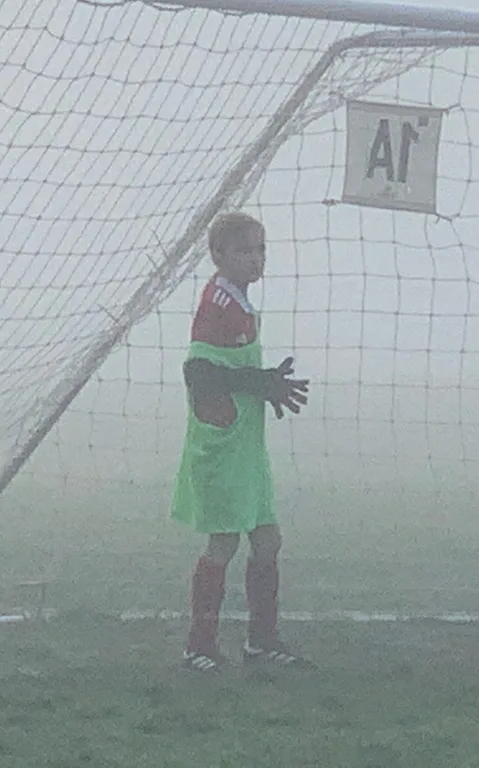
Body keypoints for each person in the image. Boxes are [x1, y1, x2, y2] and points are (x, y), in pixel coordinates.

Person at [171, 211, 311, 672]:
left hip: (245, 448)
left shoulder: (239, 303)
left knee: (268, 539)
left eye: (260, 249)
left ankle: (261, 640)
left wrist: (264, 386)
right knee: (224, 543)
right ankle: (199, 646)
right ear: (217, 255)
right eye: (244, 250)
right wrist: (260, 382)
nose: (256, 259)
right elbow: (200, 372)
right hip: (222, 449)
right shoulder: (216, 305)